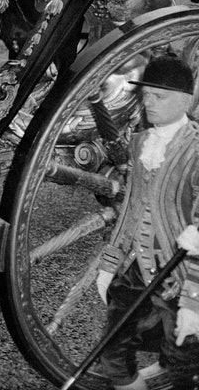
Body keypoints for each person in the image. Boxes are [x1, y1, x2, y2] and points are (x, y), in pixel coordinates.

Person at [96, 55, 199, 390]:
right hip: (141, 265)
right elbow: (131, 206)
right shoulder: (140, 141)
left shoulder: (196, 149)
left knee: (184, 356)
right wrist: (109, 264)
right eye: (147, 96)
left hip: (183, 272)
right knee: (112, 344)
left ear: (185, 101)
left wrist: (193, 301)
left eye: (160, 97)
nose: (149, 104)